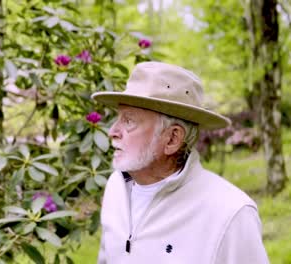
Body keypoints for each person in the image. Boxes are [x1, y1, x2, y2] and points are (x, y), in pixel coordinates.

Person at [91, 61, 269, 263]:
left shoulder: (231, 213)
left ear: (172, 139)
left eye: (129, 120)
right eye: (118, 118)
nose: (112, 132)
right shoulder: (116, 186)